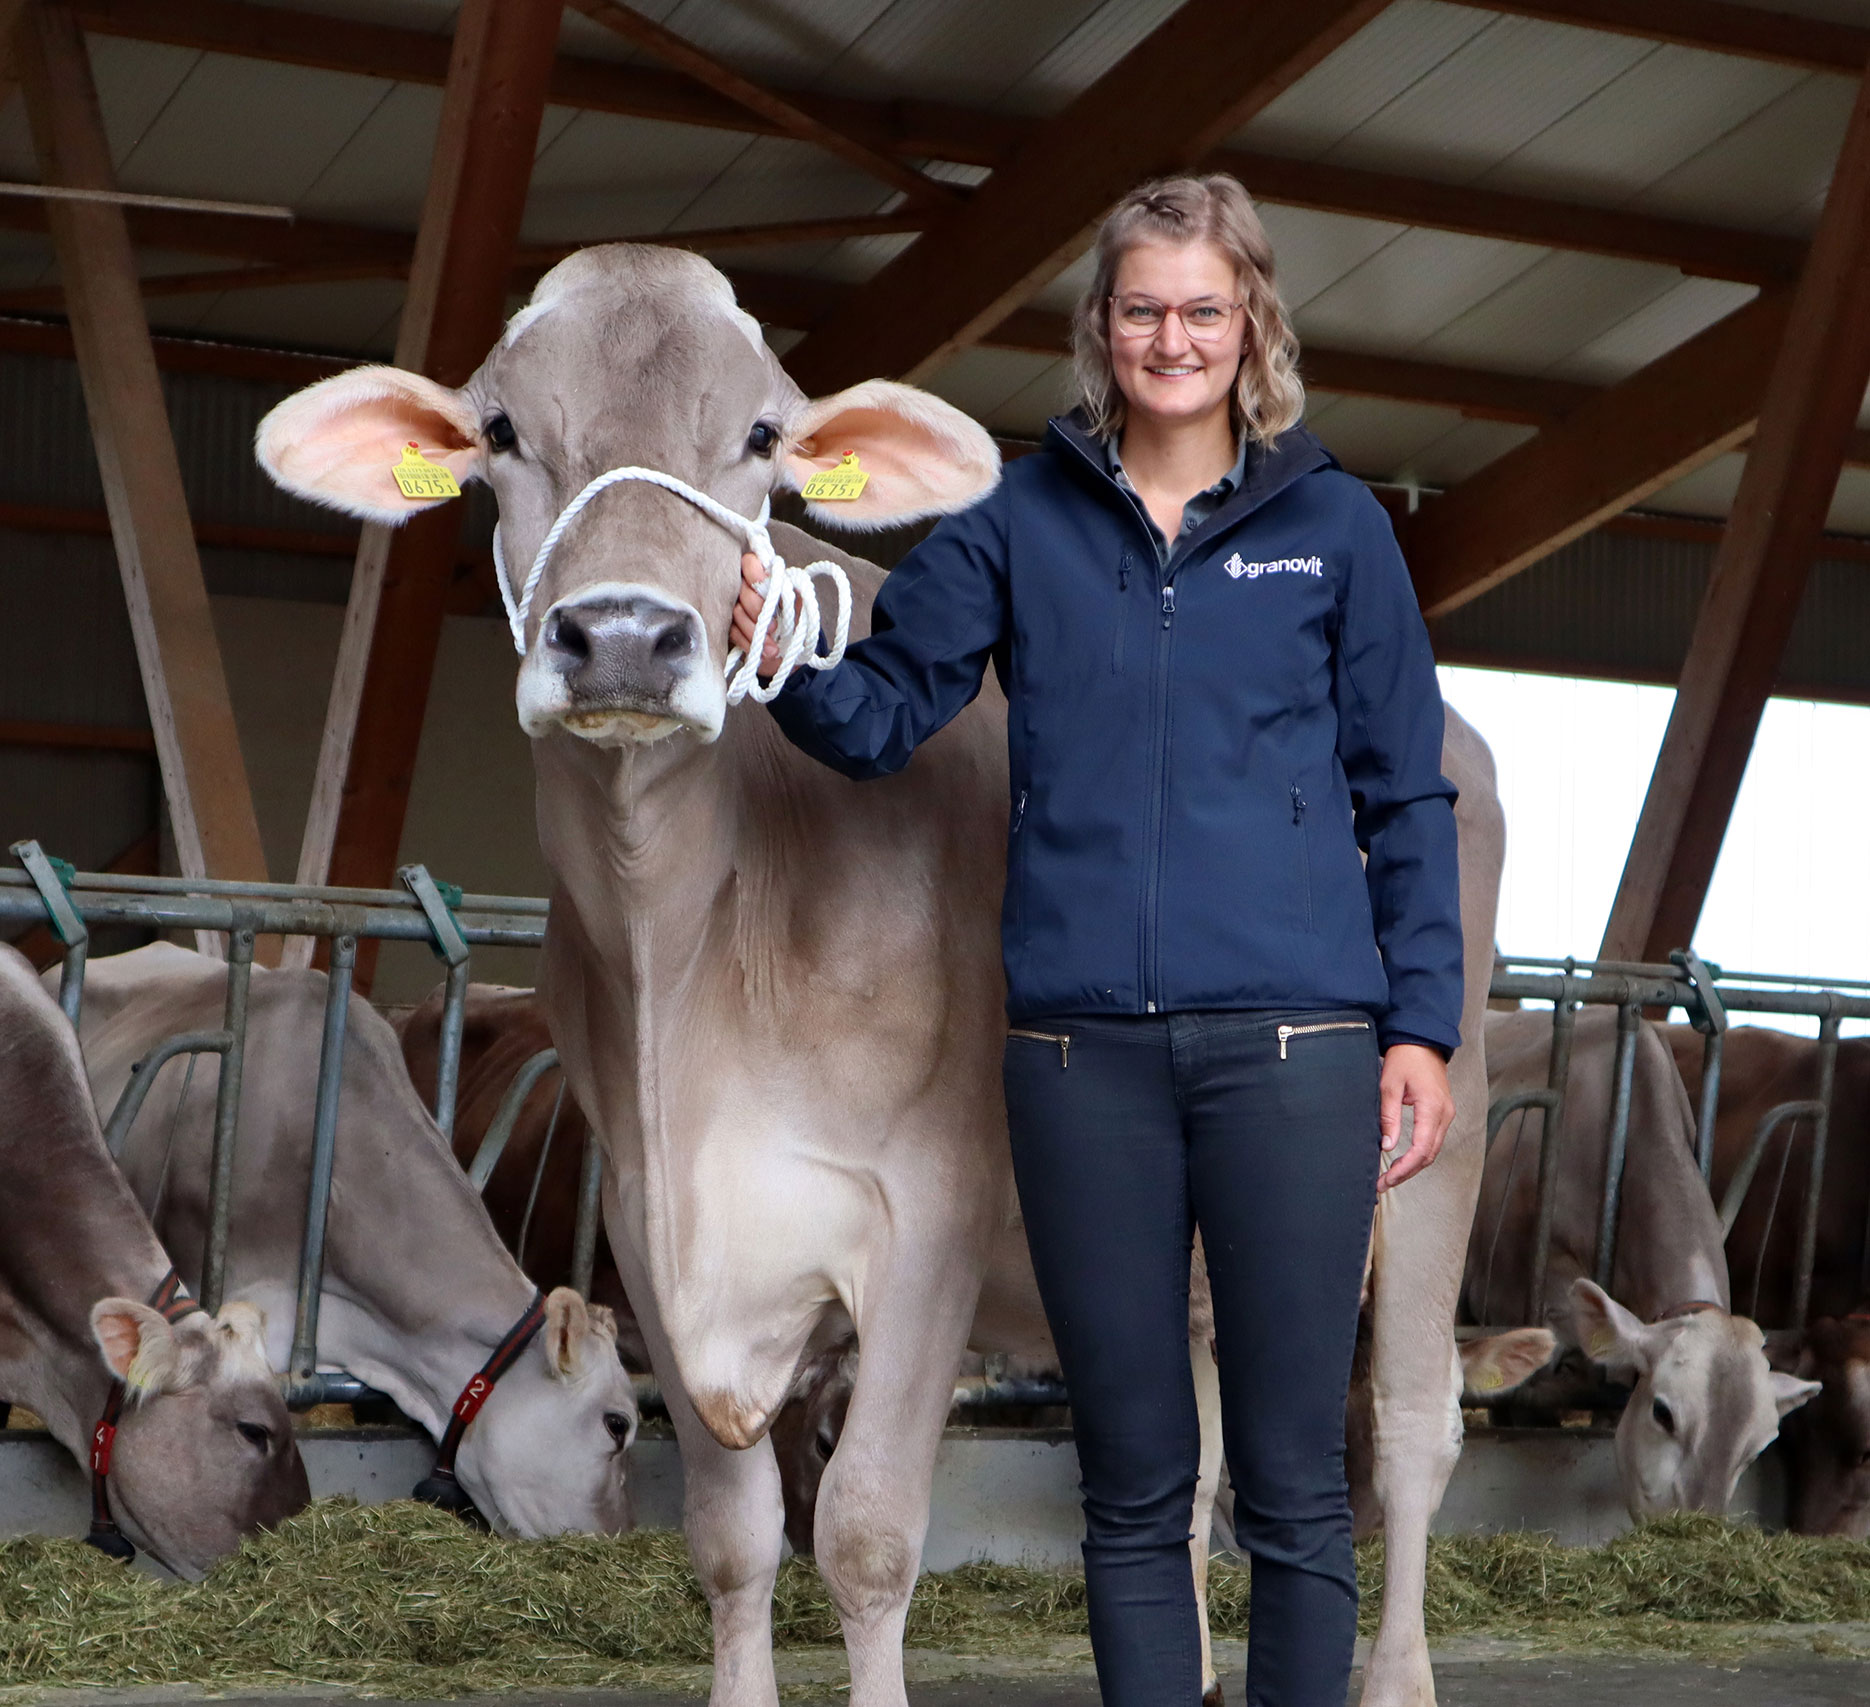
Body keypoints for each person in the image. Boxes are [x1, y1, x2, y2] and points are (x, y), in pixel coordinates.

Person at [731, 174, 1462, 1707]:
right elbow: (875, 724)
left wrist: (1418, 1031)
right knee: (1130, 1483)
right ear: (1100, 327)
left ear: (1249, 320)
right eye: (1143, 308)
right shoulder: (1015, 522)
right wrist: (774, 647)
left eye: (1203, 308)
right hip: (1082, 1061)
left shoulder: (1333, 531)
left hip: (1295, 1052)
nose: (1172, 337)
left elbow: (1406, 795)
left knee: (1288, 1486)